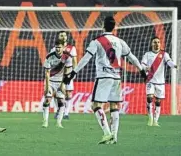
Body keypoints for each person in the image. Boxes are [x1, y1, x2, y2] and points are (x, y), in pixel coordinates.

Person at [63, 16, 147, 144]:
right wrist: (142, 71)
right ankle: (114, 137)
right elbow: (133, 58)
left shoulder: (97, 41)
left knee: (96, 105)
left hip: (103, 77)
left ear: (103, 26)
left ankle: (107, 134)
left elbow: (86, 58)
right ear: (114, 27)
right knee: (114, 106)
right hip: (117, 77)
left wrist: (73, 73)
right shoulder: (120, 42)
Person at [141, 37, 178, 127]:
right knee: (149, 98)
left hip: (160, 82)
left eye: (158, 42)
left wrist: (174, 66)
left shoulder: (164, 54)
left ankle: (155, 120)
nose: (157, 44)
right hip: (150, 80)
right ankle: (150, 117)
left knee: (158, 101)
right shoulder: (147, 54)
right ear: (151, 44)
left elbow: (169, 61)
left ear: (160, 44)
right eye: (154, 42)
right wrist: (145, 67)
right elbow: (142, 64)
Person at [42, 38, 73, 128]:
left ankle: (59, 123)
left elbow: (67, 72)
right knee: (47, 100)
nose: (58, 49)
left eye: (59, 47)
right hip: (50, 81)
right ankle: (45, 122)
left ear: (63, 47)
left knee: (61, 102)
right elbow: (47, 73)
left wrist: (63, 85)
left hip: (60, 82)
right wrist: (47, 87)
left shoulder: (68, 57)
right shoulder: (49, 56)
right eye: (56, 47)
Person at [51, 31, 77, 120]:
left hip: (68, 72)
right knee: (56, 93)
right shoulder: (54, 49)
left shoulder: (71, 48)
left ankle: (66, 113)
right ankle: (58, 110)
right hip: (58, 74)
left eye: (65, 35)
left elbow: (74, 61)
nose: (64, 36)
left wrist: (75, 71)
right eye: (61, 35)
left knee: (68, 93)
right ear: (58, 36)